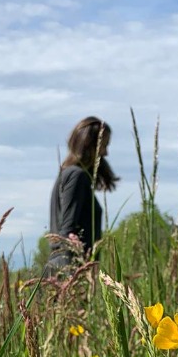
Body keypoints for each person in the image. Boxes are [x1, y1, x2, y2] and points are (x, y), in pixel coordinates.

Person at [46, 117, 119, 273]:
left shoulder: (71, 174)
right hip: (69, 269)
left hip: (66, 267)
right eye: (103, 146)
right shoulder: (76, 176)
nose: (105, 153)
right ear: (89, 145)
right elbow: (66, 232)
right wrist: (75, 276)